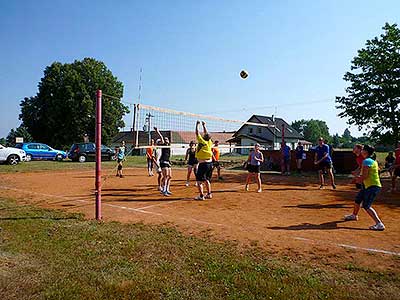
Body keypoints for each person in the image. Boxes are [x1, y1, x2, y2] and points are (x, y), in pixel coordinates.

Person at [344, 145, 385, 231]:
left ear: (365, 152)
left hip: (372, 186)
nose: (361, 151)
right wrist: (357, 178)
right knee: (358, 199)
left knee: (366, 206)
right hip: (368, 186)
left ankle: (379, 223)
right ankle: (354, 215)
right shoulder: (371, 161)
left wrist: (356, 179)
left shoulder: (366, 161)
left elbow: (365, 176)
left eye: (363, 150)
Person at [195, 120, 213, 200]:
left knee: (199, 181)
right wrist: (204, 125)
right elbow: (206, 133)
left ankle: (201, 196)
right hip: (210, 164)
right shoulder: (209, 142)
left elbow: (197, 133)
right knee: (207, 180)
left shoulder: (202, 141)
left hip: (203, 164)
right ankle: (209, 194)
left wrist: (197, 125)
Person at [154, 127, 172, 196]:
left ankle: (167, 189)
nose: (166, 140)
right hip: (163, 161)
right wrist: (157, 131)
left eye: (167, 139)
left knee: (170, 176)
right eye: (165, 139)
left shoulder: (169, 146)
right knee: (166, 176)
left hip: (168, 161)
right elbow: (161, 137)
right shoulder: (163, 145)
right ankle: (164, 190)